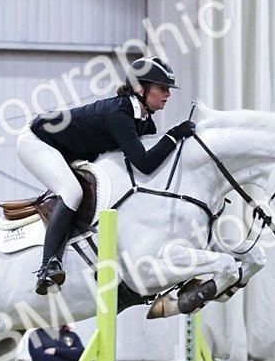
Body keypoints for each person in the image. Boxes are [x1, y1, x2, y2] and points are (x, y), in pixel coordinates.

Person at [17, 56, 196, 295]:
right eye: (162, 88)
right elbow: (144, 163)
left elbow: (147, 168)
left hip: (69, 150)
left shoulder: (144, 123)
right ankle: (48, 266)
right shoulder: (120, 114)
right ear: (140, 88)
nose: (168, 94)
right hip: (37, 141)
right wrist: (173, 135)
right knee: (72, 192)